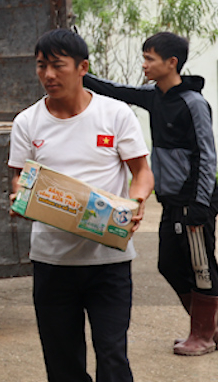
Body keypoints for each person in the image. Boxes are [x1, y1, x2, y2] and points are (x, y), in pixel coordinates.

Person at [8, 29, 153, 382]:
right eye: (41, 66)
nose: (48, 75)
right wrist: (20, 198)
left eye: (57, 66)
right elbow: (19, 179)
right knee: (62, 363)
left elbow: (142, 173)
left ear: (82, 67)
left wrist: (134, 203)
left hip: (109, 261)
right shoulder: (27, 122)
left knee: (112, 355)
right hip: (52, 260)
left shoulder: (115, 115)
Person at [82, 31, 218, 356]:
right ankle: (210, 328)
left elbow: (207, 154)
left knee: (201, 268)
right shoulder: (155, 95)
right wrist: (81, 73)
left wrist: (199, 204)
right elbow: (115, 90)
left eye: (149, 59)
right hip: (170, 200)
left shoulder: (194, 103)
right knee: (169, 265)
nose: (144, 65)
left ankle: (202, 334)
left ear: (171, 63)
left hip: (193, 202)